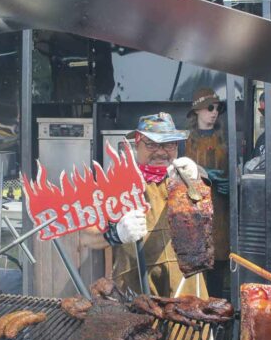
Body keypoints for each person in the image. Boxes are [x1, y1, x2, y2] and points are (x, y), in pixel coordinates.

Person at [80, 112, 209, 299]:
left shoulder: (186, 177)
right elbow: (85, 237)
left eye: (169, 144)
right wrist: (117, 233)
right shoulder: (117, 185)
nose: (161, 152)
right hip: (136, 290)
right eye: (152, 144)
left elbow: (206, 212)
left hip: (186, 288)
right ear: (137, 143)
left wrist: (195, 175)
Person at [184, 87, 230, 298]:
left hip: (220, 216)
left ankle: (217, 324)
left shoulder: (225, 144)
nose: (214, 112)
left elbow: (233, 174)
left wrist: (231, 186)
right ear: (197, 111)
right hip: (193, 217)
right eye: (210, 108)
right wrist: (201, 176)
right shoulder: (185, 144)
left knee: (217, 275)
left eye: (217, 108)